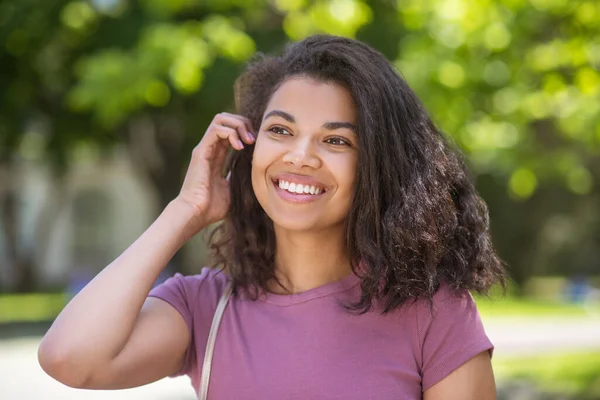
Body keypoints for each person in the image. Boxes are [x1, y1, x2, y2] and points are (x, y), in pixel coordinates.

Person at [38, 35, 506, 399]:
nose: (300, 156)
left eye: (336, 140)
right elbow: (69, 358)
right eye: (280, 130)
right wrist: (185, 211)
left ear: (377, 166)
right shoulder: (206, 308)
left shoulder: (432, 312)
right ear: (251, 145)